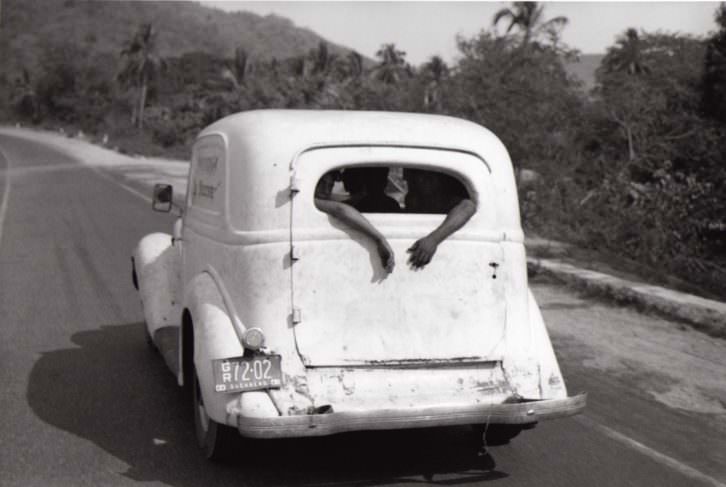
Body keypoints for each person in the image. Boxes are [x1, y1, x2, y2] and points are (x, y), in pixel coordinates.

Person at [314, 171, 395, 274]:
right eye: (321, 184)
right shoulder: (313, 201)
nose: (325, 190)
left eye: (330, 186)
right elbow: (340, 209)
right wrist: (380, 239)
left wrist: (357, 198)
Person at [403, 168, 476, 269]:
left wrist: (433, 239)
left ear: (439, 180)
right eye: (421, 175)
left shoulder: (444, 200)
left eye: (431, 176)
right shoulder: (412, 199)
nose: (426, 180)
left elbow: (468, 206)